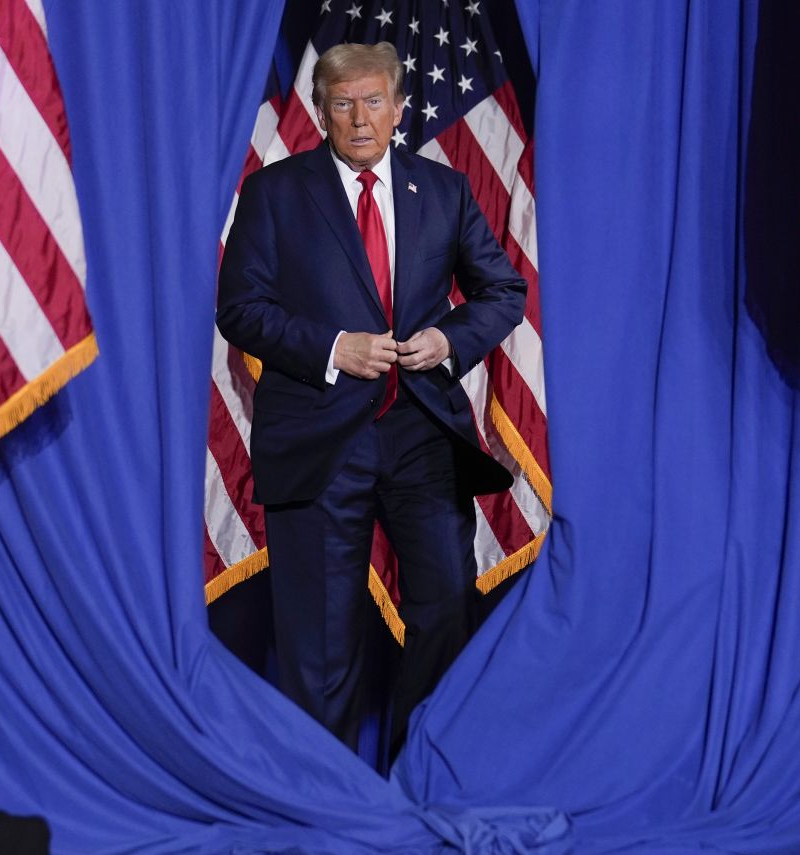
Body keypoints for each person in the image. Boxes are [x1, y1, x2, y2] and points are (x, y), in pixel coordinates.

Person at [216, 41, 525, 754]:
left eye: (374, 101)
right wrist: (333, 349)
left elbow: (503, 290)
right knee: (319, 639)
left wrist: (448, 341)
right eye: (344, 103)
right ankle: (331, 800)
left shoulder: (441, 191)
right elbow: (240, 308)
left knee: (447, 602)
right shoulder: (275, 191)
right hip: (320, 438)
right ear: (321, 112)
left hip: (421, 430)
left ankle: (415, 776)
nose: (361, 118)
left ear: (398, 108)